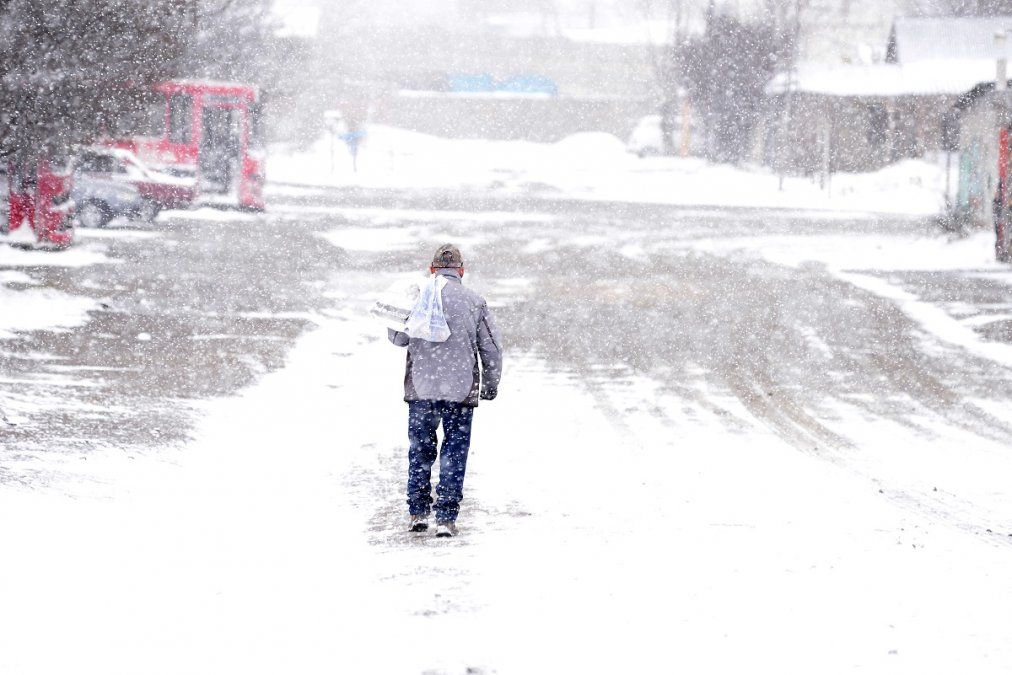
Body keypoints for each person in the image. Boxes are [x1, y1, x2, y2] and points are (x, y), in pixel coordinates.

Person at [387, 244, 503, 537]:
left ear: (431, 270)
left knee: (421, 451)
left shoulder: (418, 298)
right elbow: (491, 349)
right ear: (461, 271)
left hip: (421, 389)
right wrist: (490, 384)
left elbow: (399, 339)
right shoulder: (475, 301)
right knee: (454, 451)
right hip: (460, 391)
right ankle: (446, 519)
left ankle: (417, 513)